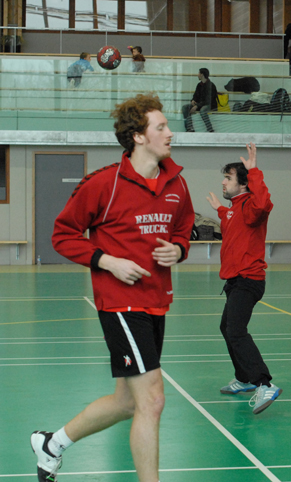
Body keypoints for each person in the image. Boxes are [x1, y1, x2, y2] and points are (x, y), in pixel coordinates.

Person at [32, 93, 195, 482]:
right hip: (121, 304)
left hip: (156, 300)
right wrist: (107, 261)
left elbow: (183, 226)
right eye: (161, 127)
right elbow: (62, 235)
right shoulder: (104, 183)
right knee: (153, 400)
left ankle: (52, 444)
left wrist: (179, 249)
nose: (170, 133)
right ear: (138, 136)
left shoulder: (176, 183)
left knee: (127, 403)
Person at [206, 143, 282, 414]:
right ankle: (244, 378)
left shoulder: (251, 205)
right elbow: (231, 224)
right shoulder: (235, 208)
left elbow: (263, 203)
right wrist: (219, 209)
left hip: (249, 280)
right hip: (235, 281)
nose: (223, 182)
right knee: (226, 327)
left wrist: (254, 171)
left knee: (236, 330)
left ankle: (264, 383)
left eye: (228, 178)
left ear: (243, 183)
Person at [181, 68, 217, 133]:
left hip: (209, 105)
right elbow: (195, 95)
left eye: (199, 73)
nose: (198, 75)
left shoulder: (211, 85)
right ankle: (190, 128)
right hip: (200, 104)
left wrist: (197, 106)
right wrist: (193, 100)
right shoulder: (199, 85)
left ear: (202, 75)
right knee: (185, 107)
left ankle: (210, 129)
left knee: (203, 110)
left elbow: (208, 101)